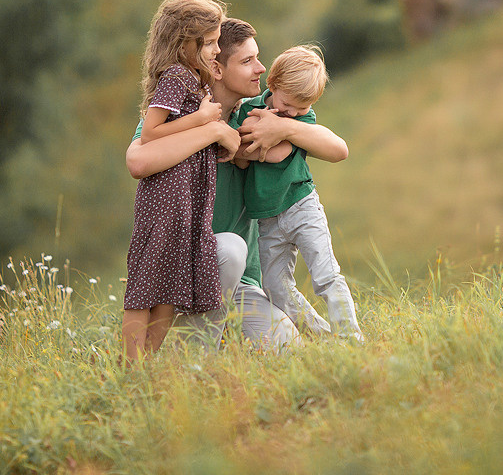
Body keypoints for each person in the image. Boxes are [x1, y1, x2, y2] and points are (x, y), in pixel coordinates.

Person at [126, 19, 348, 350]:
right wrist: (214, 131)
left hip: (242, 284)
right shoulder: (180, 115)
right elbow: (137, 160)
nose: (261, 68)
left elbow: (337, 149)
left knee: (288, 348)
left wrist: (286, 130)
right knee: (230, 249)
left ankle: (226, 336)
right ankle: (193, 358)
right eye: (247, 61)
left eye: (257, 58)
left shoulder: (259, 115)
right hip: (186, 275)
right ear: (216, 69)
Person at [122, 0, 236, 361]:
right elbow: (151, 133)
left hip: (188, 195)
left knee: (171, 283)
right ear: (185, 42)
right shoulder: (176, 76)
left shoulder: (195, 79)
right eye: (211, 42)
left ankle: (147, 363)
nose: (217, 49)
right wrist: (202, 119)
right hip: (165, 194)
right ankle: (131, 365)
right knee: (147, 282)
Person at [233, 44, 363, 341]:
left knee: (326, 274)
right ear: (273, 84)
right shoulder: (247, 109)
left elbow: (277, 153)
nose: (292, 113)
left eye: (301, 109)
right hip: (267, 218)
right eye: (288, 104)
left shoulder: (302, 118)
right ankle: (322, 335)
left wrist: (261, 136)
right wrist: (246, 144)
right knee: (275, 286)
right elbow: (241, 157)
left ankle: (350, 337)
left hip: (301, 206)